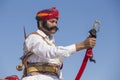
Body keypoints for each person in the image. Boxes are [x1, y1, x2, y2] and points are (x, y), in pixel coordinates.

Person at [21, 7, 96, 80]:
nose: (55, 25)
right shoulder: (33, 38)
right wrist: (81, 45)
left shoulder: (52, 43)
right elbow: (49, 52)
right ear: (41, 23)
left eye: (56, 22)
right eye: (52, 21)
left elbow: (58, 71)